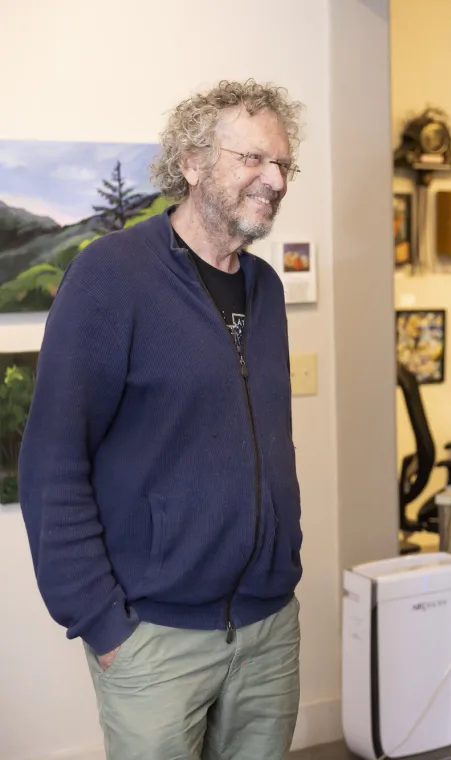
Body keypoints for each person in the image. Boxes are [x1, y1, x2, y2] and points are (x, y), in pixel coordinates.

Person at [19, 79, 306, 759]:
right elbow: (52, 463)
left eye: (283, 164)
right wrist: (103, 625)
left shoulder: (264, 288)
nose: (274, 180)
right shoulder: (110, 277)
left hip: (269, 629)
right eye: (253, 160)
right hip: (155, 641)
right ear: (191, 162)